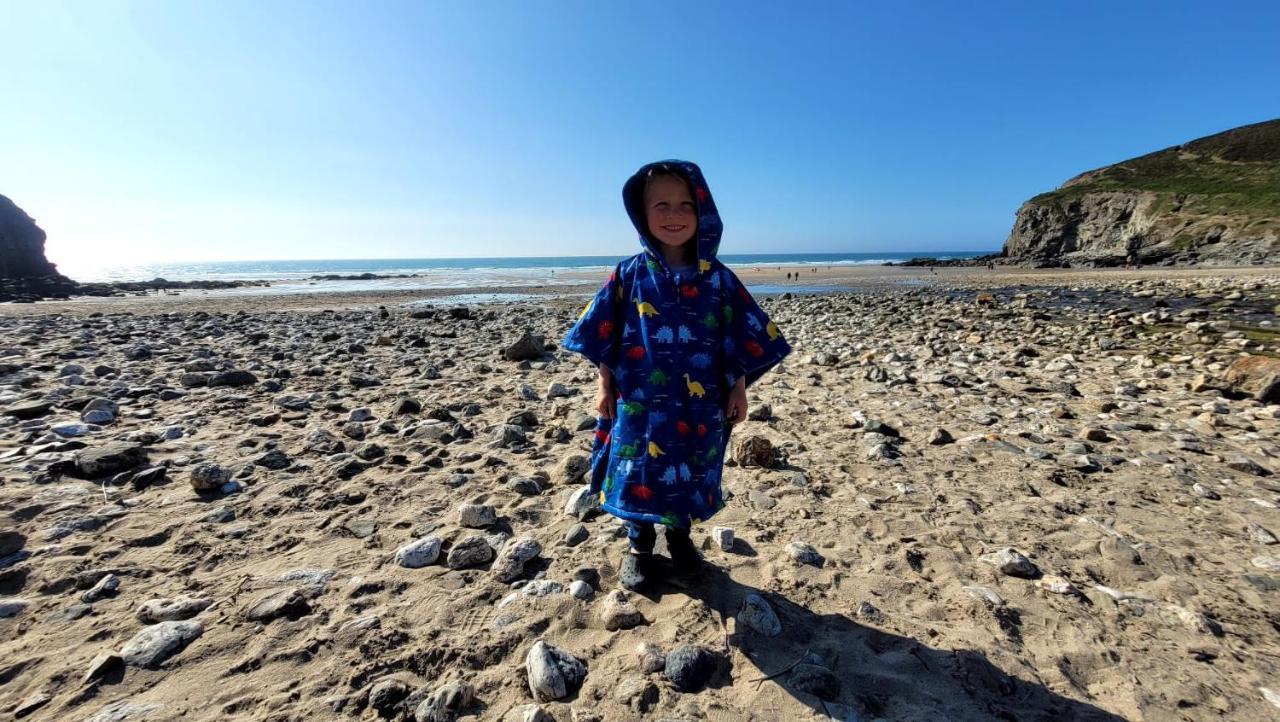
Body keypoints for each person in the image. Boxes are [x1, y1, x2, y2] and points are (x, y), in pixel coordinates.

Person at [562, 160, 791, 590]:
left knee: (689, 468)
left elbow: (738, 335)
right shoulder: (628, 274)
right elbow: (604, 334)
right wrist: (603, 384)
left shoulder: (719, 280)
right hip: (639, 401)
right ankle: (639, 545)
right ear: (642, 214)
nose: (674, 215)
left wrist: (739, 388)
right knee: (637, 471)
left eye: (686, 204)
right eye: (662, 205)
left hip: (698, 402)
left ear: (703, 211)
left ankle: (680, 538)